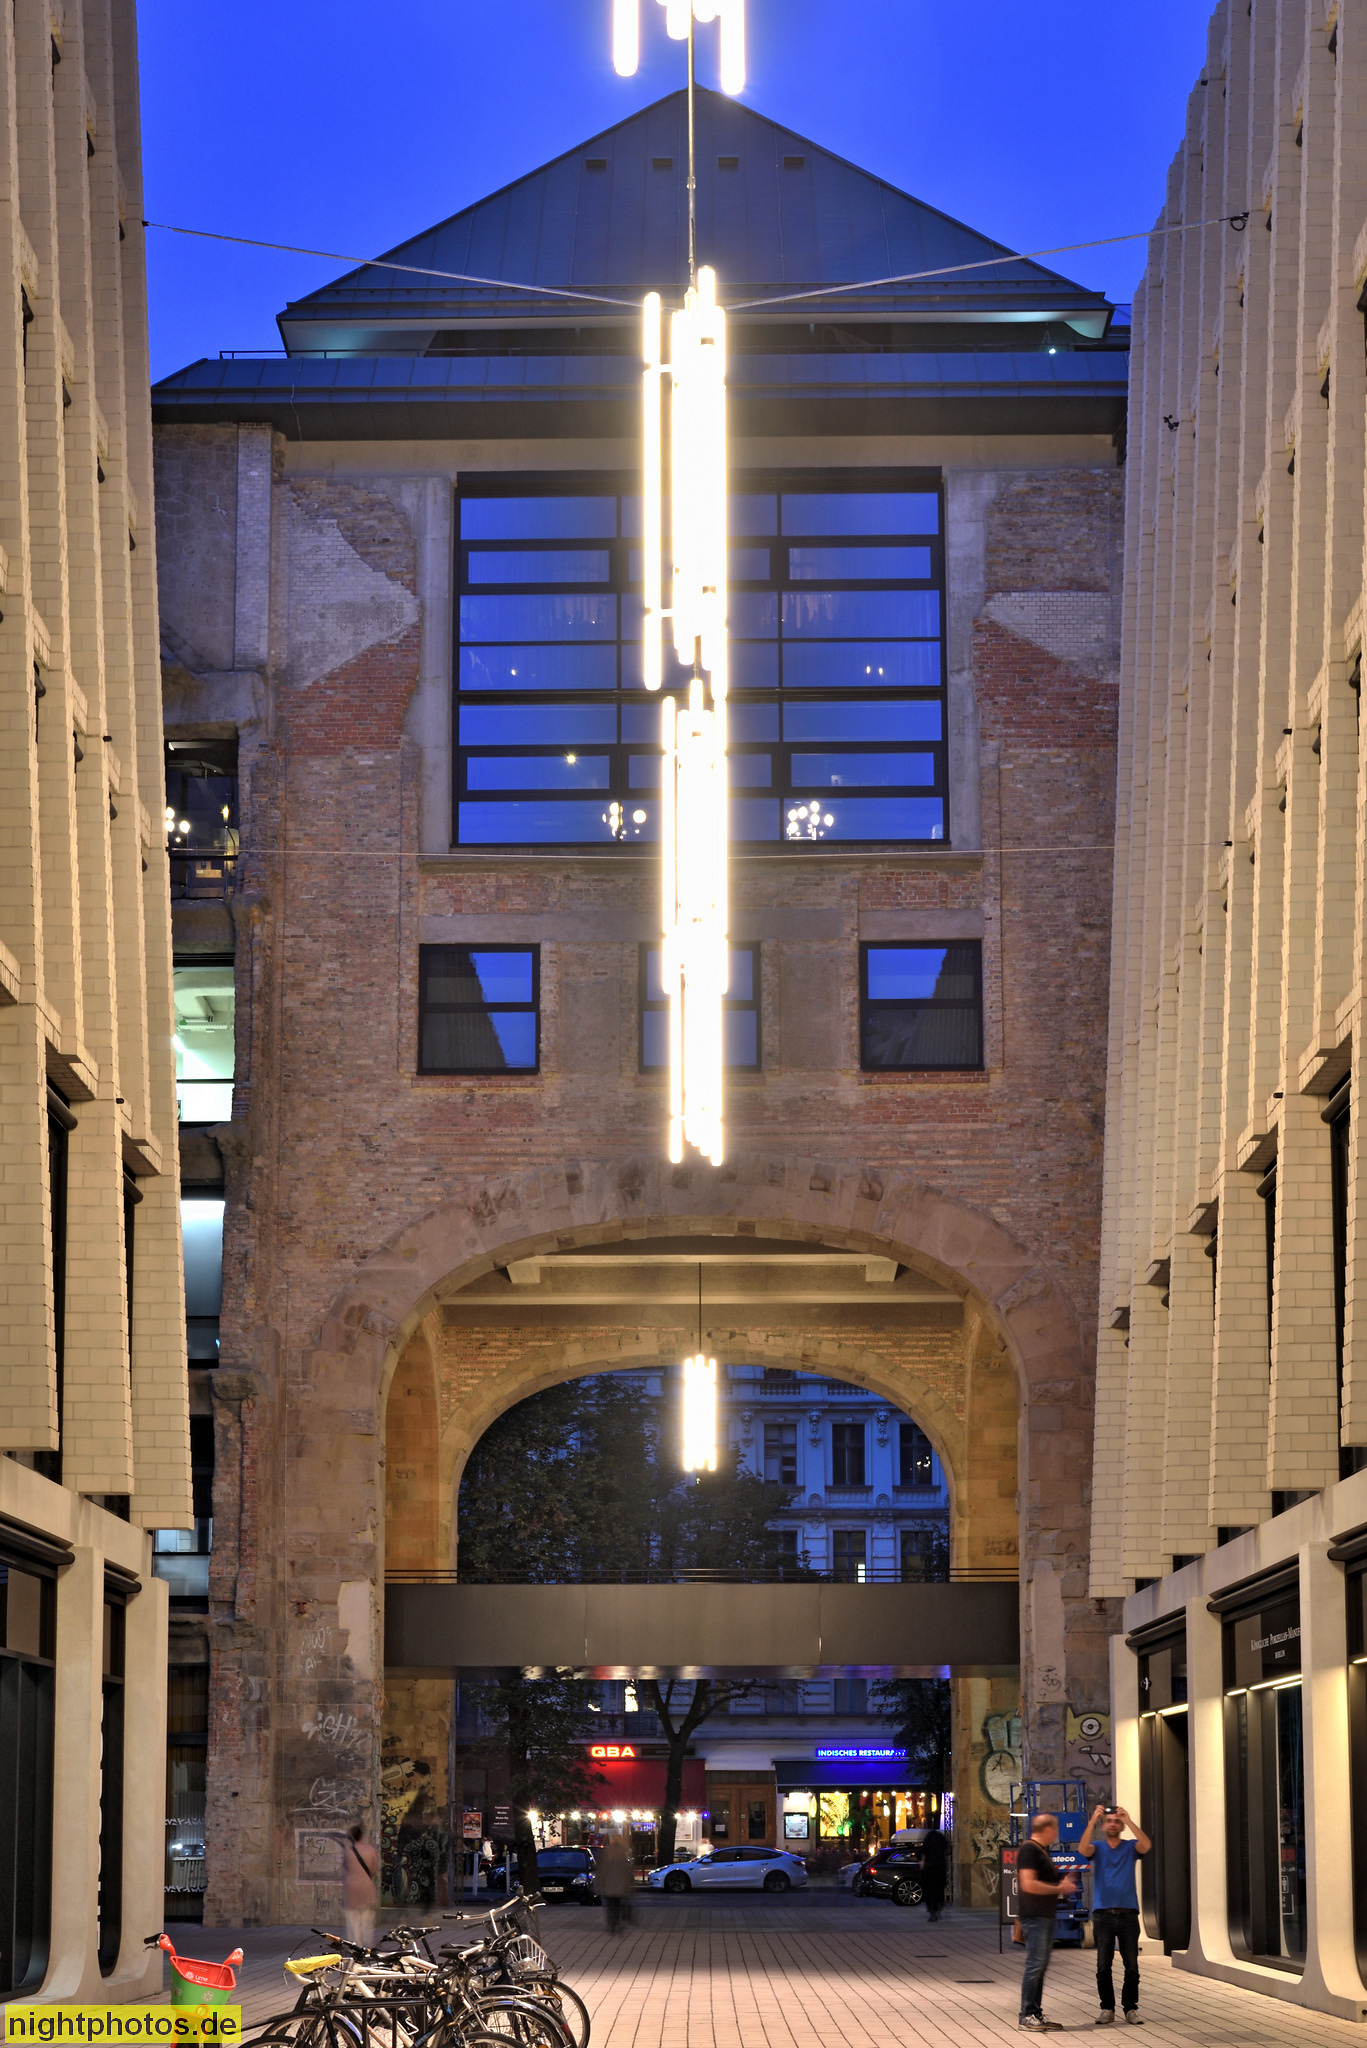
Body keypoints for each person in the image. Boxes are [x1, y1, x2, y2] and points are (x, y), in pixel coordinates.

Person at [1078, 1803, 1151, 2026]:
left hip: (1128, 1914)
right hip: (1103, 1915)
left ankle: (1130, 2008)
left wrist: (1129, 1820)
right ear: (1103, 1824)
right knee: (1103, 1966)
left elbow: (1146, 1845)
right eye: (1109, 1821)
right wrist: (1093, 1820)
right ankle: (1107, 2008)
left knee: (1132, 1966)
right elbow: (1083, 1849)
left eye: (1117, 1822)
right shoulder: (1098, 1847)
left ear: (1121, 1826)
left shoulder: (1130, 1847)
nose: (1113, 1824)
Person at [1016, 1812, 1079, 2032]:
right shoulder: (1029, 1850)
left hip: (1044, 1915)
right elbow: (1028, 1884)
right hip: (1035, 1916)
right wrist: (1059, 1888)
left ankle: (1035, 2012)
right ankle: (1027, 2015)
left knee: (1040, 1965)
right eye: (1056, 1829)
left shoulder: (1041, 1850)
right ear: (1049, 1829)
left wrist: (1062, 1885)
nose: (1057, 1833)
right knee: (1035, 1965)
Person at [342, 1821, 379, 1949]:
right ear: (362, 1836)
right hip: (367, 1888)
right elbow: (373, 1870)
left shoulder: (347, 1851)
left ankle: (356, 1945)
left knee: (353, 1920)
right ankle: (366, 1947)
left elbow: (346, 1867)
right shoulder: (371, 1850)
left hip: (351, 1888)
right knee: (367, 1920)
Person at [595, 1831, 633, 1935]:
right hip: (620, 1886)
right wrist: (628, 1885)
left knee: (610, 1906)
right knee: (617, 1905)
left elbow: (602, 1870)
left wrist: (599, 1884)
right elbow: (626, 1871)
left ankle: (612, 1924)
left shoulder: (607, 1854)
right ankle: (617, 1922)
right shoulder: (622, 1854)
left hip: (609, 1886)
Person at [919, 1822, 948, 1921]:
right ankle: (939, 1905)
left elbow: (923, 1852)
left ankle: (932, 1911)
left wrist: (922, 1864)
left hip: (930, 1868)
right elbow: (947, 1849)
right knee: (939, 1889)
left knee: (930, 1890)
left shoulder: (928, 1838)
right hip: (940, 1866)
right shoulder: (941, 1838)